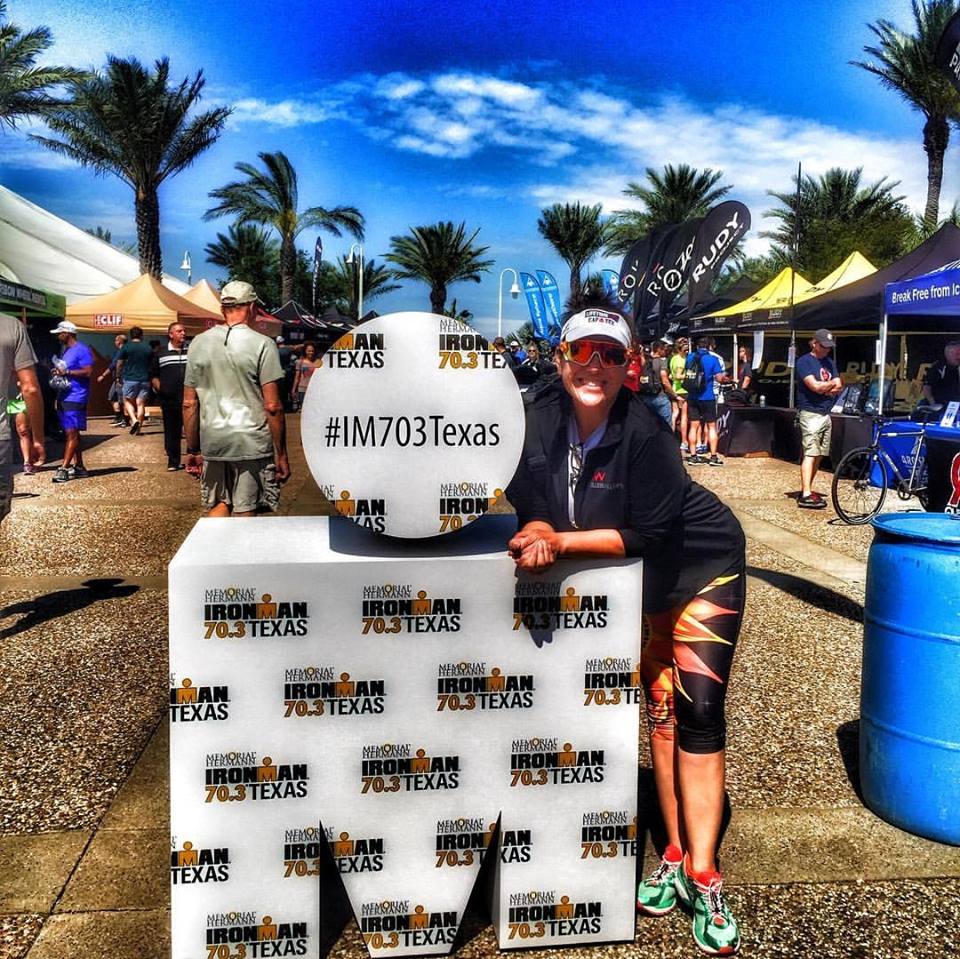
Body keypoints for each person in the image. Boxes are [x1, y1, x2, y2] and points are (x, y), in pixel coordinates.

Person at [506, 306, 745, 956]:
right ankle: (673, 852)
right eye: (583, 351)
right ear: (561, 357)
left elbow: (651, 533)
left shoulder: (648, 431)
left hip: (701, 564)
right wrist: (537, 525)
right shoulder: (534, 417)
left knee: (699, 708)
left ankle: (705, 875)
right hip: (642, 578)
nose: (596, 366)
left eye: (611, 354)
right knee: (661, 710)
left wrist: (559, 541)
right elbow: (529, 495)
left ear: (629, 365)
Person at [182, 281, 289, 517]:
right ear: (251, 307)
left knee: (219, 504)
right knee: (246, 507)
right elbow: (272, 406)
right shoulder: (263, 344)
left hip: (213, 439)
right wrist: (281, 454)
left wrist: (192, 448)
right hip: (251, 441)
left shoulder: (197, 343)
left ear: (223, 309)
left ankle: (215, 543)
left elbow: (189, 402)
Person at [2, 314, 44, 518]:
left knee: (21, 429)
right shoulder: (12, 327)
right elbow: (31, 388)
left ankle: (26, 460)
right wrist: (39, 439)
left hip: (14, 398)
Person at [795, 328, 842, 509]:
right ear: (814, 343)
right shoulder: (804, 362)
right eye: (823, 346)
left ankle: (807, 488)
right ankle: (806, 493)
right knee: (811, 452)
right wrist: (828, 386)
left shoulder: (829, 362)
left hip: (825, 412)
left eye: (829, 347)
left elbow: (839, 385)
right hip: (810, 412)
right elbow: (814, 386)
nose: (826, 350)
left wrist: (826, 387)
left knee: (820, 454)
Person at [49, 320, 93, 483]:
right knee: (72, 432)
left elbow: (88, 372)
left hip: (76, 396)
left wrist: (67, 371)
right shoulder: (67, 351)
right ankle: (79, 466)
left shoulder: (82, 350)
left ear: (67, 333)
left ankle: (64, 468)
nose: (58, 336)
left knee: (71, 433)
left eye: (59, 333)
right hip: (65, 396)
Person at [150, 322, 189, 471]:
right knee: (172, 431)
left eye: (184, 331)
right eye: (179, 331)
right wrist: (162, 389)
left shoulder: (191, 351)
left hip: (190, 398)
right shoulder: (161, 353)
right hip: (169, 399)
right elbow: (153, 375)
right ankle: (173, 461)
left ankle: (194, 461)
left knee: (192, 431)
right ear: (171, 334)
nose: (183, 333)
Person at [685, 336, 726, 466]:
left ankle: (693, 456)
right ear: (709, 347)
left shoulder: (690, 357)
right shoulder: (713, 359)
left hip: (692, 396)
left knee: (693, 426)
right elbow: (719, 378)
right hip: (707, 396)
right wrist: (725, 379)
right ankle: (713, 457)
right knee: (711, 426)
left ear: (697, 346)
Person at [116, 326, 154, 435]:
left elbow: (119, 363)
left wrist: (118, 376)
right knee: (140, 403)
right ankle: (139, 429)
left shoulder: (126, 347)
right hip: (145, 379)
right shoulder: (148, 348)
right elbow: (152, 364)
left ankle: (134, 419)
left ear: (130, 335)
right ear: (141, 335)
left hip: (130, 378)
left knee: (127, 401)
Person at [638, 340, 675, 426]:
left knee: (649, 425)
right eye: (664, 350)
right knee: (666, 426)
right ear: (659, 350)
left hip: (646, 396)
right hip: (660, 396)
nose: (665, 352)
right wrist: (674, 395)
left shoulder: (646, 362)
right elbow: (665, 381)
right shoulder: (662, 361)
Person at [96, 333, 128, 426]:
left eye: (116, 340)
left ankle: (124, 419)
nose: (115, 342)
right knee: (112, 397)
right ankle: (118, 417)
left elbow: (113, 366)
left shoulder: (122, 351)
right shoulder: (121, 351)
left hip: (121, 379)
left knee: (122, 400)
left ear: (119, 341)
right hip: (117, 379)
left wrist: (103, 375)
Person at [922, 339, 960, 406]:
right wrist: (933, 404)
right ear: (949, 354)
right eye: (957, 354)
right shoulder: (938, 368)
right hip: (941, 405)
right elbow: (927, 388)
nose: (959, 357)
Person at [669, 338, 689, 448]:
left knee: (675, 414)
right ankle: (684, 441)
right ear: (680, 349)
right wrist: (689, 376)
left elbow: (671, 375)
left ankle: (671, 437)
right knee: (684, 416)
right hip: (683, 390)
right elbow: (677, 375)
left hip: (674, 389)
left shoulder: (673, 359)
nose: (687, 352)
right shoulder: (681, 360)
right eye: (685, 350)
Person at [291, 341, 318, 411]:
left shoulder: (318, 363)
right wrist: (294, 389)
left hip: (314, 389)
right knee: (304, 409)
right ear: (305, 351)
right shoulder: (300, 362)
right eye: (309, 351)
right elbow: (297, 377)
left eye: (312, 351)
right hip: (302, 389)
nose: (311, 353)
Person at [276, 336, 295, 411]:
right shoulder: (289, 349)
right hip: (289, 371)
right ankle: (289, 407)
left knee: (281, 390)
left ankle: (283, 406)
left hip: (280, 371)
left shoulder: (276, 351)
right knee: (289, 389)